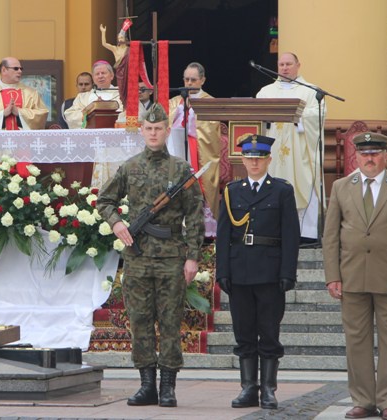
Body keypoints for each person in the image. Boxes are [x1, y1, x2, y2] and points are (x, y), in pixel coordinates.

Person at [97, 103, 205, 408]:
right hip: (138, 256)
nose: (154, 133)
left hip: (171, 255)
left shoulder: (180, 169)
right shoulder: (130, 167)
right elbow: (104, 200)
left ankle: (168, 385)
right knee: (140, 320)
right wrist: (117, 223)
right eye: (149, 129)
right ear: (142, 131)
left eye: (159, 129)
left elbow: (195, 214)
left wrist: (193, 256)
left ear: (167, 131)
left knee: (170, 320)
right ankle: (147, 385)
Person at [323, 132, 387, 420]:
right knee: (356, 340)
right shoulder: (343, 187)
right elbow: (330, 236)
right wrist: (332, 275)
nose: (370, 158)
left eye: (375, 153)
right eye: (364, 153)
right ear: (356, 156)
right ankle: (363, 400)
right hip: (351, 276)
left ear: (384, 156)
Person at [215, 134, 300, 410]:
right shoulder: (231, 191)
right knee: (244, 332)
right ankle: (248, 387)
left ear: (268, 160)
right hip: (240, 270)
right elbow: (223, 235)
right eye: (250, 158)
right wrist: (222, 271)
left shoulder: (282, 191)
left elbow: (290, 234)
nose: (254, 162)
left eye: (259, 158)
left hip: (270, 271)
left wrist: (288, 272)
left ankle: (268, 389)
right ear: (243, 160)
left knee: (269, 331)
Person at [256, 52, 326, 243]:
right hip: (273, 151)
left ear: (298, 65)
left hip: (300, 151)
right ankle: (273, 231)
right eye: (281, 64)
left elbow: (317, 115)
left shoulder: (311, 91)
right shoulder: (265, 92)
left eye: (288, 64)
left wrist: (298, 116)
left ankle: (306, 234)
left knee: (304, 181)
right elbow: (256, 118)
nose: (284, 68)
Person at [168, 62, 221, 226]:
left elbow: (211, 132)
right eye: (186, 80)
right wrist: (177, 112)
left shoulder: (210, 102)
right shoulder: (175, 101)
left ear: (202, 80)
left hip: (198, 154)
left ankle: (202, 226)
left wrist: (192, 121)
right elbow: (165, 125)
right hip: (176, 151)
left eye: (193, 80)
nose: (189, 83)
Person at [0, 56, 48, 131]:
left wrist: (19, 113)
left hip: (24, 140)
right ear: (4, 70)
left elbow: (42, 114)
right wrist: (2, 114)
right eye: (16, 68)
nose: (20, 71)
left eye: (21, 68)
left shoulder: (31, 93)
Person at [64, 60, 124, 129]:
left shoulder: (121, 93)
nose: (100, 76)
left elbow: (128, 114)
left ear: (112, 76)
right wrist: (89, 109)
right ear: (93, 78)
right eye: (97, 74)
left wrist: (106, 107)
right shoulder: (82, 97)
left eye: (103, 73)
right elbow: (70, 116)